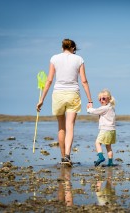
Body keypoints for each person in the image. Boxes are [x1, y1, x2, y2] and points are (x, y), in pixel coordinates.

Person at [36, 38, 93, 166]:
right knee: (70, 126)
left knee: (61, 127)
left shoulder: (54, 58)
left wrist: (41, 100)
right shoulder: (79, 59)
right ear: (73, 48)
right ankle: (67, 155)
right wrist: (90, 100)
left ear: (62, 48)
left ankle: (63, 157)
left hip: (58, 94)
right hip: (73, 94)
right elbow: (84, 81)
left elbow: (49, 80)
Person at [87, 89, 116, 167]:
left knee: (97, 143)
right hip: (112, 130)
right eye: (100, 99)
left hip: (105, 130)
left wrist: (89, 109)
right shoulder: (112, 108)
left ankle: (101, 157)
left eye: (103, 98)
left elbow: (95, 111)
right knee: (108, 147)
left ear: (109, 98)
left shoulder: (105, 108)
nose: (101, 100)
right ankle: (110, 163)